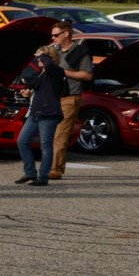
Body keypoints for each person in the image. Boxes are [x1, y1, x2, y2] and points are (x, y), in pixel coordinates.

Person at [44, 19, 93, 179]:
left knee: (60, 135)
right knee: (49, 133)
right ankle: (49, 166)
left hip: (70, 97)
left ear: (66, 34)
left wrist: (63, 72)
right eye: (52, 36)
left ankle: (55, 170)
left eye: (56, 35)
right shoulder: (53, 50)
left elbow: (87, 75)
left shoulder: (80, 52)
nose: (53, 38)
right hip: (53, 97)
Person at [17, 43, 67, 186]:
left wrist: (43, 54)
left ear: (49, 58)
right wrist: (27, 90)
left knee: (45, 145)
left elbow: (50, 67)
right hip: (35, 112)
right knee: (22, 141)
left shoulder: (56, 71)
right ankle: (30, 172)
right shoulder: (39, 74)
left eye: (40, 58)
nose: (38, 60)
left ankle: (43, 177)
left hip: (49, 113)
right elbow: (34, 86)